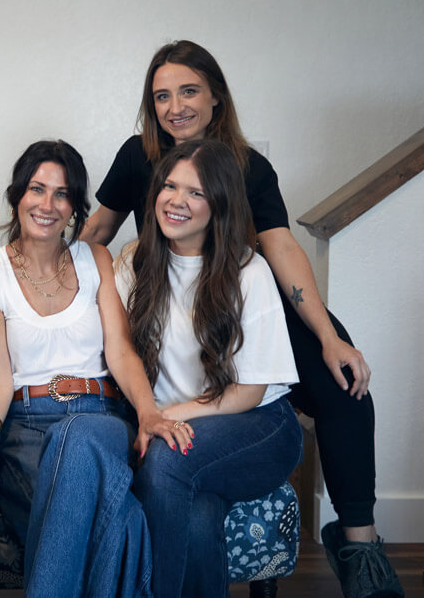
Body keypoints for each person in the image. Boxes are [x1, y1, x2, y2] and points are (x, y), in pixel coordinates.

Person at [82, 39, 403, 598]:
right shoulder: (138, 158)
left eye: (188, 91)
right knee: (195, 499)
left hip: (236, 296)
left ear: (216, 98)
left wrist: (326, 335)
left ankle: (361, 552)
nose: (175, 106)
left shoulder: (249, 172)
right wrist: (42, 280)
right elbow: (96, 235)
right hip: (163, 284)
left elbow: (280, 250)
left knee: (343, 381)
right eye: (161, 95)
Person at [0, 140, 189, 597]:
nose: (47, 204)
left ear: (75, 206)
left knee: (77, 433)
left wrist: (149, 414)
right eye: (37, 189)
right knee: (123, 522)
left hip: (102, 420)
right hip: (27, 431)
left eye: (61, 194)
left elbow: (120, 352)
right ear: (17, 195)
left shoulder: (95, 259)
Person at [115, 138, 301, 598]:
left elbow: (249, 392)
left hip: (256, 426)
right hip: (172, 423)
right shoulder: (133, 263)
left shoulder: (248, 270)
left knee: (165, 461)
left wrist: (165, 417)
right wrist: (149, 414)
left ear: (219, 203)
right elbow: (120, 353)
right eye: (170, 186)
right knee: (196, 519)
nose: (176, 201)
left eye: (195, 193)